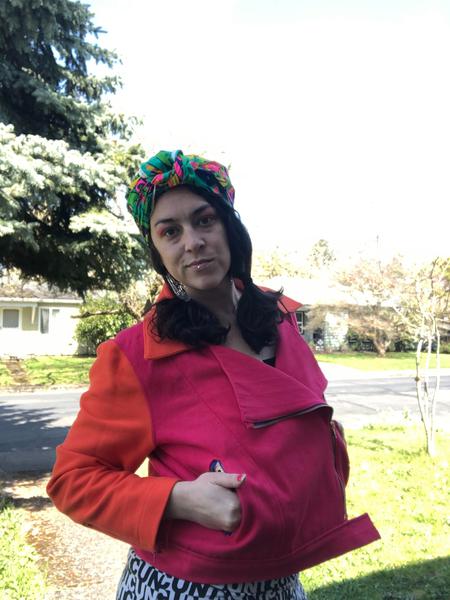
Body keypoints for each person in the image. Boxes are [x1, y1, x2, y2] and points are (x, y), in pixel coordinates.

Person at [47, 150, 380, 599]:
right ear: (157, 251)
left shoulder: (280, 317)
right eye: (170, 231)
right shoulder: (135, 356)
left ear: (229, 227)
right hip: (185, 586)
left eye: (205, 221)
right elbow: (73, 480)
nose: (193, 241)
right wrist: (177, 499)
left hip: (283, 580)